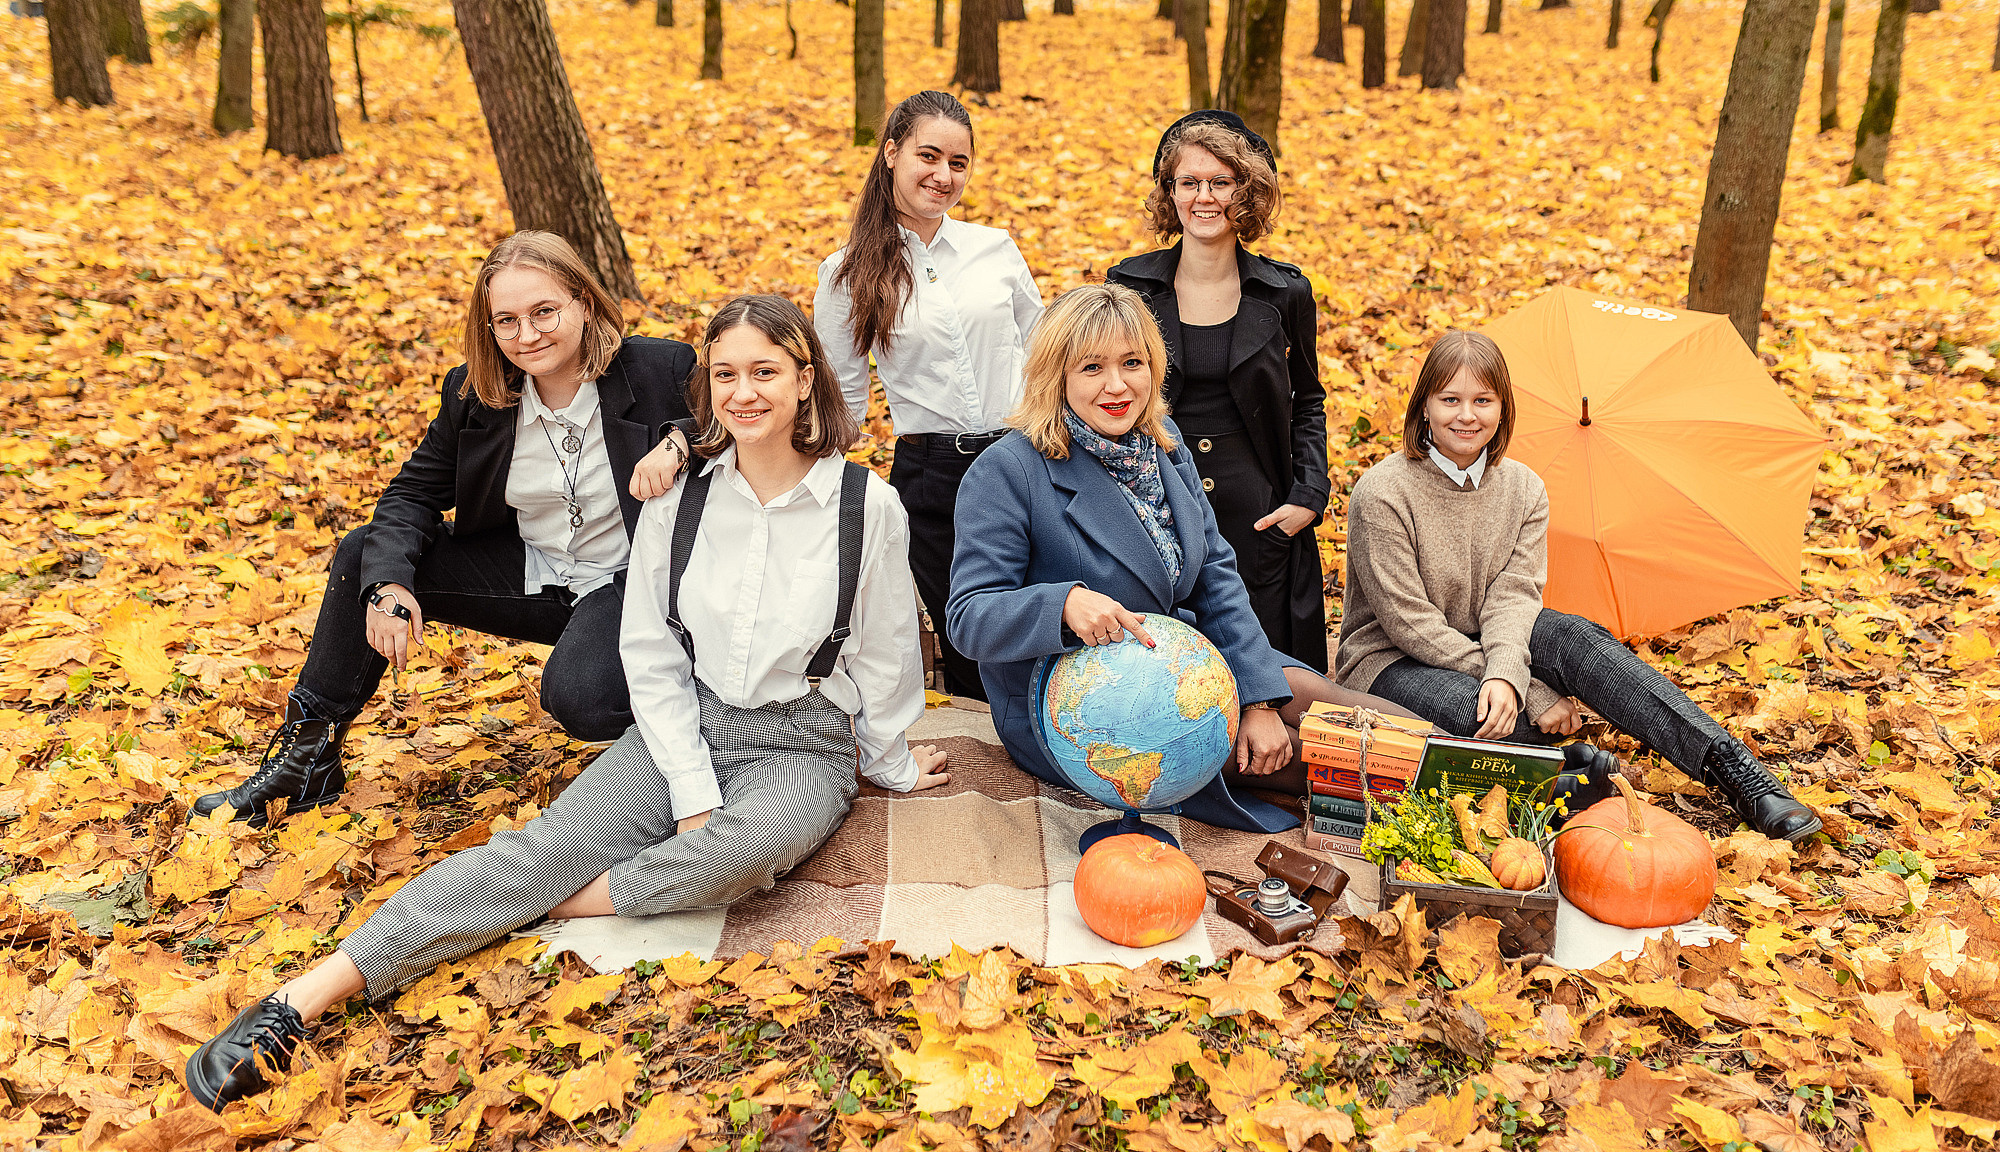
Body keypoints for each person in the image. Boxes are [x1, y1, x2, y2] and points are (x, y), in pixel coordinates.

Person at [182, 295, 953, 1112]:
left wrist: (892, 759)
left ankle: (524, 905)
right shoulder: (678, 497)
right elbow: (652, 655)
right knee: (542, 845)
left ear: (806, 381)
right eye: (725, 374)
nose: (744, 392)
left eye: (766, 372)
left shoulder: (868, 506)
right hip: (687, 720)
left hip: (804, 744)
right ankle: (300, 999)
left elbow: (883, 650)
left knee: (741, 857)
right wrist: (690, 787)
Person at [192, 231, 696, 830]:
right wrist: (387, 588)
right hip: (535, 574)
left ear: (584, 303)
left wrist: (679, 442)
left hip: (633, 582)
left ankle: (696, 722)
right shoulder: (477, 394)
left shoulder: (659, 367)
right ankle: (309, 753)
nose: (526, 335)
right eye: (506, 321)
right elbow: (411, 494)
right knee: (365, 554)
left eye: (543, 312)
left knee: (580, 700)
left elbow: (735, 423)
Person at [947, 284, 1411, 833]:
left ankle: (1491, 768)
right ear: (1058, 375)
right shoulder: (1007, 471)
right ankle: (1471, 789)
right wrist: (1063, 605)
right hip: (1085, 709)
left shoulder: (1161, 442)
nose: (1117, 386)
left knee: (1331, 703)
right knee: (1319, 756)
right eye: (1092, 368)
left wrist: (1258, 700)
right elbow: (968, 617)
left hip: (1184, 661)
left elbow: (1216, 573)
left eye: (1132, 363)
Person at [1337, 331, 1821, 843]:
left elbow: (1514, 593)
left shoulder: (1523, 487)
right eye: (1450, 400)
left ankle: (1737, 772)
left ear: (1502, 409)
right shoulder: (1383, 492)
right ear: (1425, 406)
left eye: (1483, 400)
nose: (1466, 416)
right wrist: (1531, 689)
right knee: (1479, 712)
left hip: (1486, 633)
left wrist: (1508, 673)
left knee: (1579, 641)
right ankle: (1572, 769)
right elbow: (1409, 622)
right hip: (1390, 658)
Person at [813, 90, 1045, 702]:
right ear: (890, 152)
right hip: (935, 475)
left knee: (1040, 621)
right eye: (929, 156)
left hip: (1025, 459)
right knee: (967, 638)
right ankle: (989, 785)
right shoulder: (847, 272)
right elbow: (843, 399)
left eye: (959, 163)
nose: (944, 176)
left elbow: (1046, 353)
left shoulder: (995, 249)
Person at [1107, 111, 1330, 672]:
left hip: (1261, 519)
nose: (1204, 197)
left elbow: (1309, 401)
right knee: (1168, 679)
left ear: (1245, 191)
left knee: (1275, 684)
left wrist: (1306, 498)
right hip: (1156, 505)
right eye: (1189, 182)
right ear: (1170, 193)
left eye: (1220, 182)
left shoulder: (1286, 292)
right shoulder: (1129, 286)